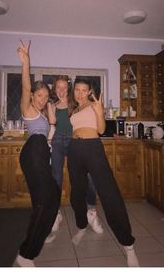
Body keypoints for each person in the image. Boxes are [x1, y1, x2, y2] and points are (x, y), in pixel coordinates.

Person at [67, 77, 139, 267]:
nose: (80, 93)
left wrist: (99, 112)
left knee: (110, 194)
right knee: (77, 192)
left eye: (84, 90)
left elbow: (100, 129)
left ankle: (128, 245)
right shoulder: (75, 109)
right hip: (74, 149)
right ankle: (82, 225)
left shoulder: (93, 105)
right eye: (77, 90)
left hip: (92, 148)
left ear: (90, 92)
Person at [15, 40, 60, 267]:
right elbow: (25, 87)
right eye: (39, 95)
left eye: (44, 96)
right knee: (45, 199)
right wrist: (26, 62)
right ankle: (25, 255)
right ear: (32, 96)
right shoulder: (28, 108)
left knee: (52, 196)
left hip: (40, 152)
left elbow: (52, 122)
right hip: (34, 150)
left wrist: (51, 102)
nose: (41, 99)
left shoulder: (42, 114)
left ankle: (41, 231)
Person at [50, 75, 103, 234]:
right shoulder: (52, 105)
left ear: (69, 89)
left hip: (76, 142)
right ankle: (56, 213)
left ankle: (91, 212)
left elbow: (91, 123)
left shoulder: (76, 104)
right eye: (58, 87)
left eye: (65, 87)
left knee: (88, 178)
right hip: (58, 141)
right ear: (55, 89)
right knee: (56, 177)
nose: (61, 90)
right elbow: (51, 125)